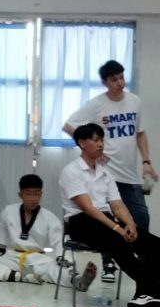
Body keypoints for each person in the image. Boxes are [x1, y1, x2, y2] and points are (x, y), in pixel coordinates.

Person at [63, 60, 158, 283]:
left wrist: (146, 161)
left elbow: (140, 133)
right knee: (107, 224)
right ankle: (109, 265)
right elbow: (68, 126)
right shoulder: (96, 104)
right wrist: (92, 148)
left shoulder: (134, 101)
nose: (120, 83)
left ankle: (147, 271)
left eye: (121, 77)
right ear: (105, 82)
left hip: (129, 174)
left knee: (140, 221)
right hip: (107, 171)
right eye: (114, 80)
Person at [59, 123, 160, 307]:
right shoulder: (71, 171)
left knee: (152, 243)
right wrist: (117, 228)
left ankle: (144, 295)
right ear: (82, 143)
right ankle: (151, 288)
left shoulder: (105, 172)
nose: (100, 144)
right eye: (95, 140)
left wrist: (129, 224)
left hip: (105, 220)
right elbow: (87, 208)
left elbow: (118, 205)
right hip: (81, 222)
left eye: (102, 140)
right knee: (117, 241)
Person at [0, 174, 97, 292]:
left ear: (41, 194)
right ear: (20, 195)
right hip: (13, 258)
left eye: (36, 194)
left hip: (37, 259)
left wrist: (62, 259)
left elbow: (59, 242)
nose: (33, 198)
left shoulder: (49, 217)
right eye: (28, 194)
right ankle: (21, 277)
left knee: (56, 269)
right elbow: (3, 236)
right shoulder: (9, 211)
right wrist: (0, 252)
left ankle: (78, 281)